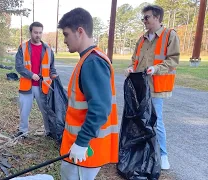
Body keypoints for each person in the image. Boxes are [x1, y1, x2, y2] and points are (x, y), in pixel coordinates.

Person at [57, 8, 119, 180]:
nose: (64, 40)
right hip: (81, 147)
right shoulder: (89, 58)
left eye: (66, 34)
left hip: (84, 150)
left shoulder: (92, 62)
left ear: (80, 31)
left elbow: (100, 109)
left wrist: (81, 142)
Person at [125, 5, 180, 170]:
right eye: (143, 18)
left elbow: (173, 60)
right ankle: (144, 152)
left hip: (156, 87)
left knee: (156, 121)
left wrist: (156, 69)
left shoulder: (170, 35)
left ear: (157, 18)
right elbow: (135, 59)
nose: (144, 21)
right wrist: (131, 68)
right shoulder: (141, 39)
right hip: (140, 86)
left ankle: (163, 155)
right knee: (140, 120)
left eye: (147, 17)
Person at [14, 21, 58, 138]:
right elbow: (19, 66)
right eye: (35, 32)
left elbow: (52, 67)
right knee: (24, 111)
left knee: (46, 111)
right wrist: (31, 75)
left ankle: (49, 132)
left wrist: (54, 75)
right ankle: (23, 132)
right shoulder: (23, 47)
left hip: (43, 86)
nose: (38, 35)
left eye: (40, 33)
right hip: (27, 85)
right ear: (31, 32)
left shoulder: (48, 49)